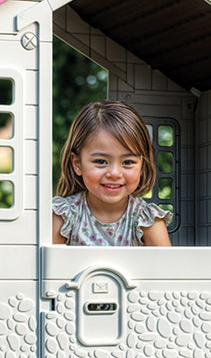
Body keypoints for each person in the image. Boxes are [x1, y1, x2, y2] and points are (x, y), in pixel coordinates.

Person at [52, 99, 172, 247]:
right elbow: (48, 268)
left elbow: (166, 269)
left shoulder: (148, 221)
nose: (115, 173)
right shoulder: (63, 216)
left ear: (142, 165)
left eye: (128, 162)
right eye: (101, 161)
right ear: (77, 164)